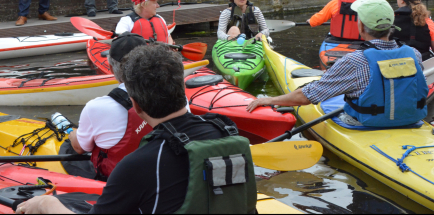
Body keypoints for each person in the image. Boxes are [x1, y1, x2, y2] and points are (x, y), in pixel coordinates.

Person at [15, 45, 257, 214]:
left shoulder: (137, 164)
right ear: (182, 90)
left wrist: (43, 206)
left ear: (136, 105)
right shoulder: (225, 129)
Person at [248, 0, 428, 129]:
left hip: (366, 123)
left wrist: (269, 100)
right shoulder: (414, 54)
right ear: (391, 26)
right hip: (412, 120)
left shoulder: (355, 61)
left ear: (362, 27)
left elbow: (307, 97)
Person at [64, 32, 152, 181]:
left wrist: (73, 135)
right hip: (160, 172)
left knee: (68, 147)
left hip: (120, 182)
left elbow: (80, 148)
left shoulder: (96, 107)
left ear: (110, 68)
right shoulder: (175, 94)